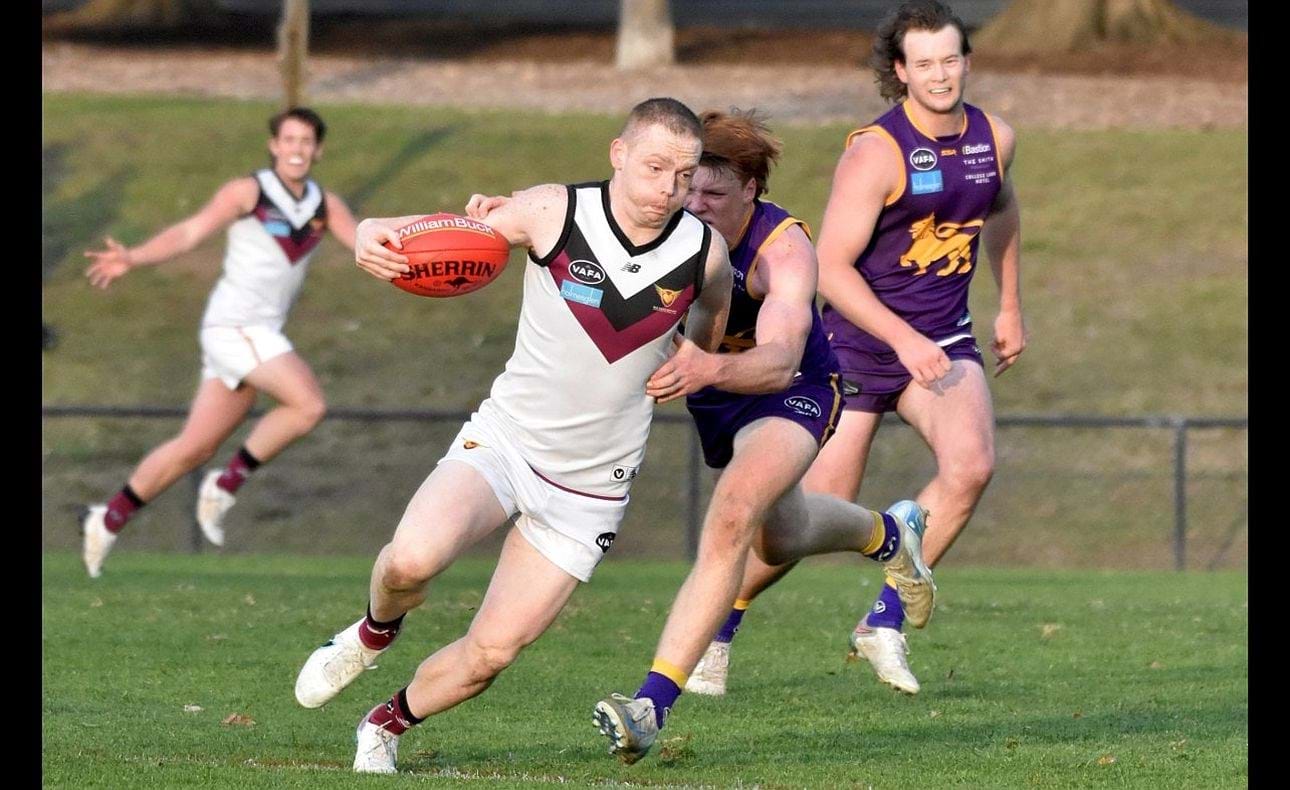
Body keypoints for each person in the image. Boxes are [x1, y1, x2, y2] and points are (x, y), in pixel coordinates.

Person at [291, 98, 733, 775]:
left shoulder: (705, 254)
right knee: (411, 560)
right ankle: (372, 633)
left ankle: (385, 723)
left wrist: (699, 365)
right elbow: (443, 227)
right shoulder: (554, 211)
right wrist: (373, 228)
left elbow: (706, 334)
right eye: (653, 168)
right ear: (618, 154)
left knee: (490, 656)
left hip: (590, 492)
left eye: (684, 175)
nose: (668, 190)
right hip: (508, 443)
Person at [688, 0, 1027, 698]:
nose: (941, 74)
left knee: (971, 467)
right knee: (811, 514)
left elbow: (1002, 209)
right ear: (899, 71)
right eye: (924, 62)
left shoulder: (995, 137)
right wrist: (902, 340)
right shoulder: (876, 151)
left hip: (943, 338)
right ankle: (714, 635)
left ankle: (883, 621)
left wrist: (1012, 303)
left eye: (951, 58)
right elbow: (834, 268)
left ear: (968, 59)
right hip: (855, 343)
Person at [589, 109, 935, 765]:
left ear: (751, 190)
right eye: (687, 188)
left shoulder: (783, 251)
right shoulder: (663, 220)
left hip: (793, 388)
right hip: (716, 395)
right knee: (784, 533)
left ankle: (649, 706)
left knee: (734, 517)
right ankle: (890, 534)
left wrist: (702, 365)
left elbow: (779, 356)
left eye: (713, 194)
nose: (693, 205)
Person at [79, 107, 358, 578]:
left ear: (319, 149)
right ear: (274, 146)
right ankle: (225, 485)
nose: (296, 149)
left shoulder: (325, 205)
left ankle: (107, 518)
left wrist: (426, 238)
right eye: (288, 140)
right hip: (234, 326)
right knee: (308, 405)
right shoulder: (248, 192)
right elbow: (190, 231)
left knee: (193, 446)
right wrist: (135, 256)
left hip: (258, 332)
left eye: (306, 141)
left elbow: (365, 243)